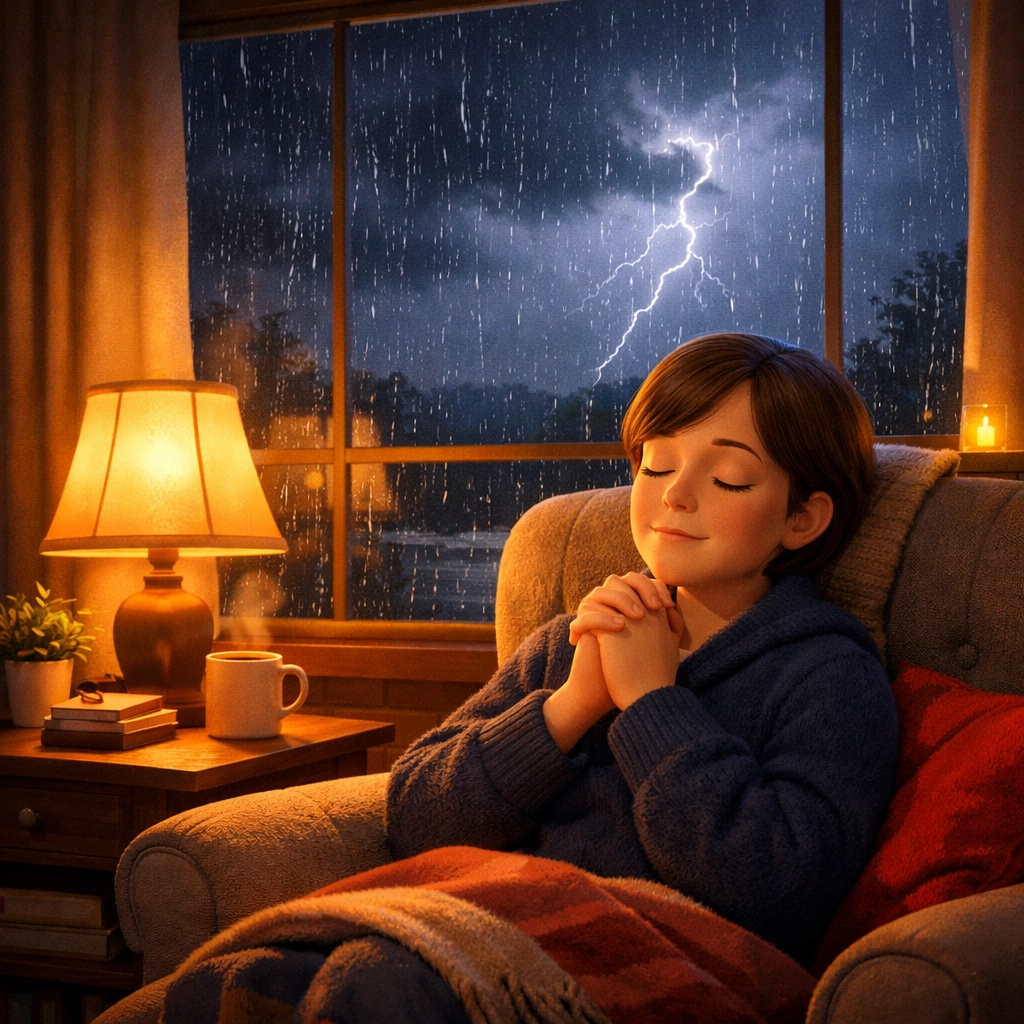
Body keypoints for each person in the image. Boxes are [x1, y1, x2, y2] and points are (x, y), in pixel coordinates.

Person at [387, 332, 899, 966]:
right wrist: (571, 706)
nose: (674, 494)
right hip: (491, 933)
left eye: (728, 477)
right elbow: (413, 817)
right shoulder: (574, 638)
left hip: (659, 965)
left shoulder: (827, 672)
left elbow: (779, 889)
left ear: (801, 518)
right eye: (656, 465)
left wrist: (652, 703)